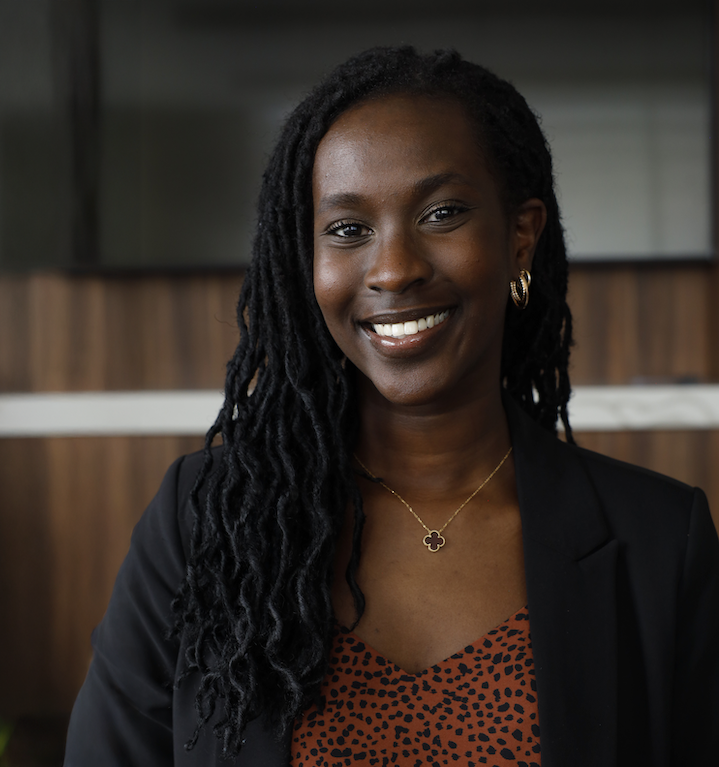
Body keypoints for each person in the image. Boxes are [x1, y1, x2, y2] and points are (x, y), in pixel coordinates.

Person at [64, 46, 719, 766]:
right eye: (348, 229)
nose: (394, 268)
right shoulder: (205, 523)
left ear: (520, 235)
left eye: (441, 213)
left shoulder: (660, 542)